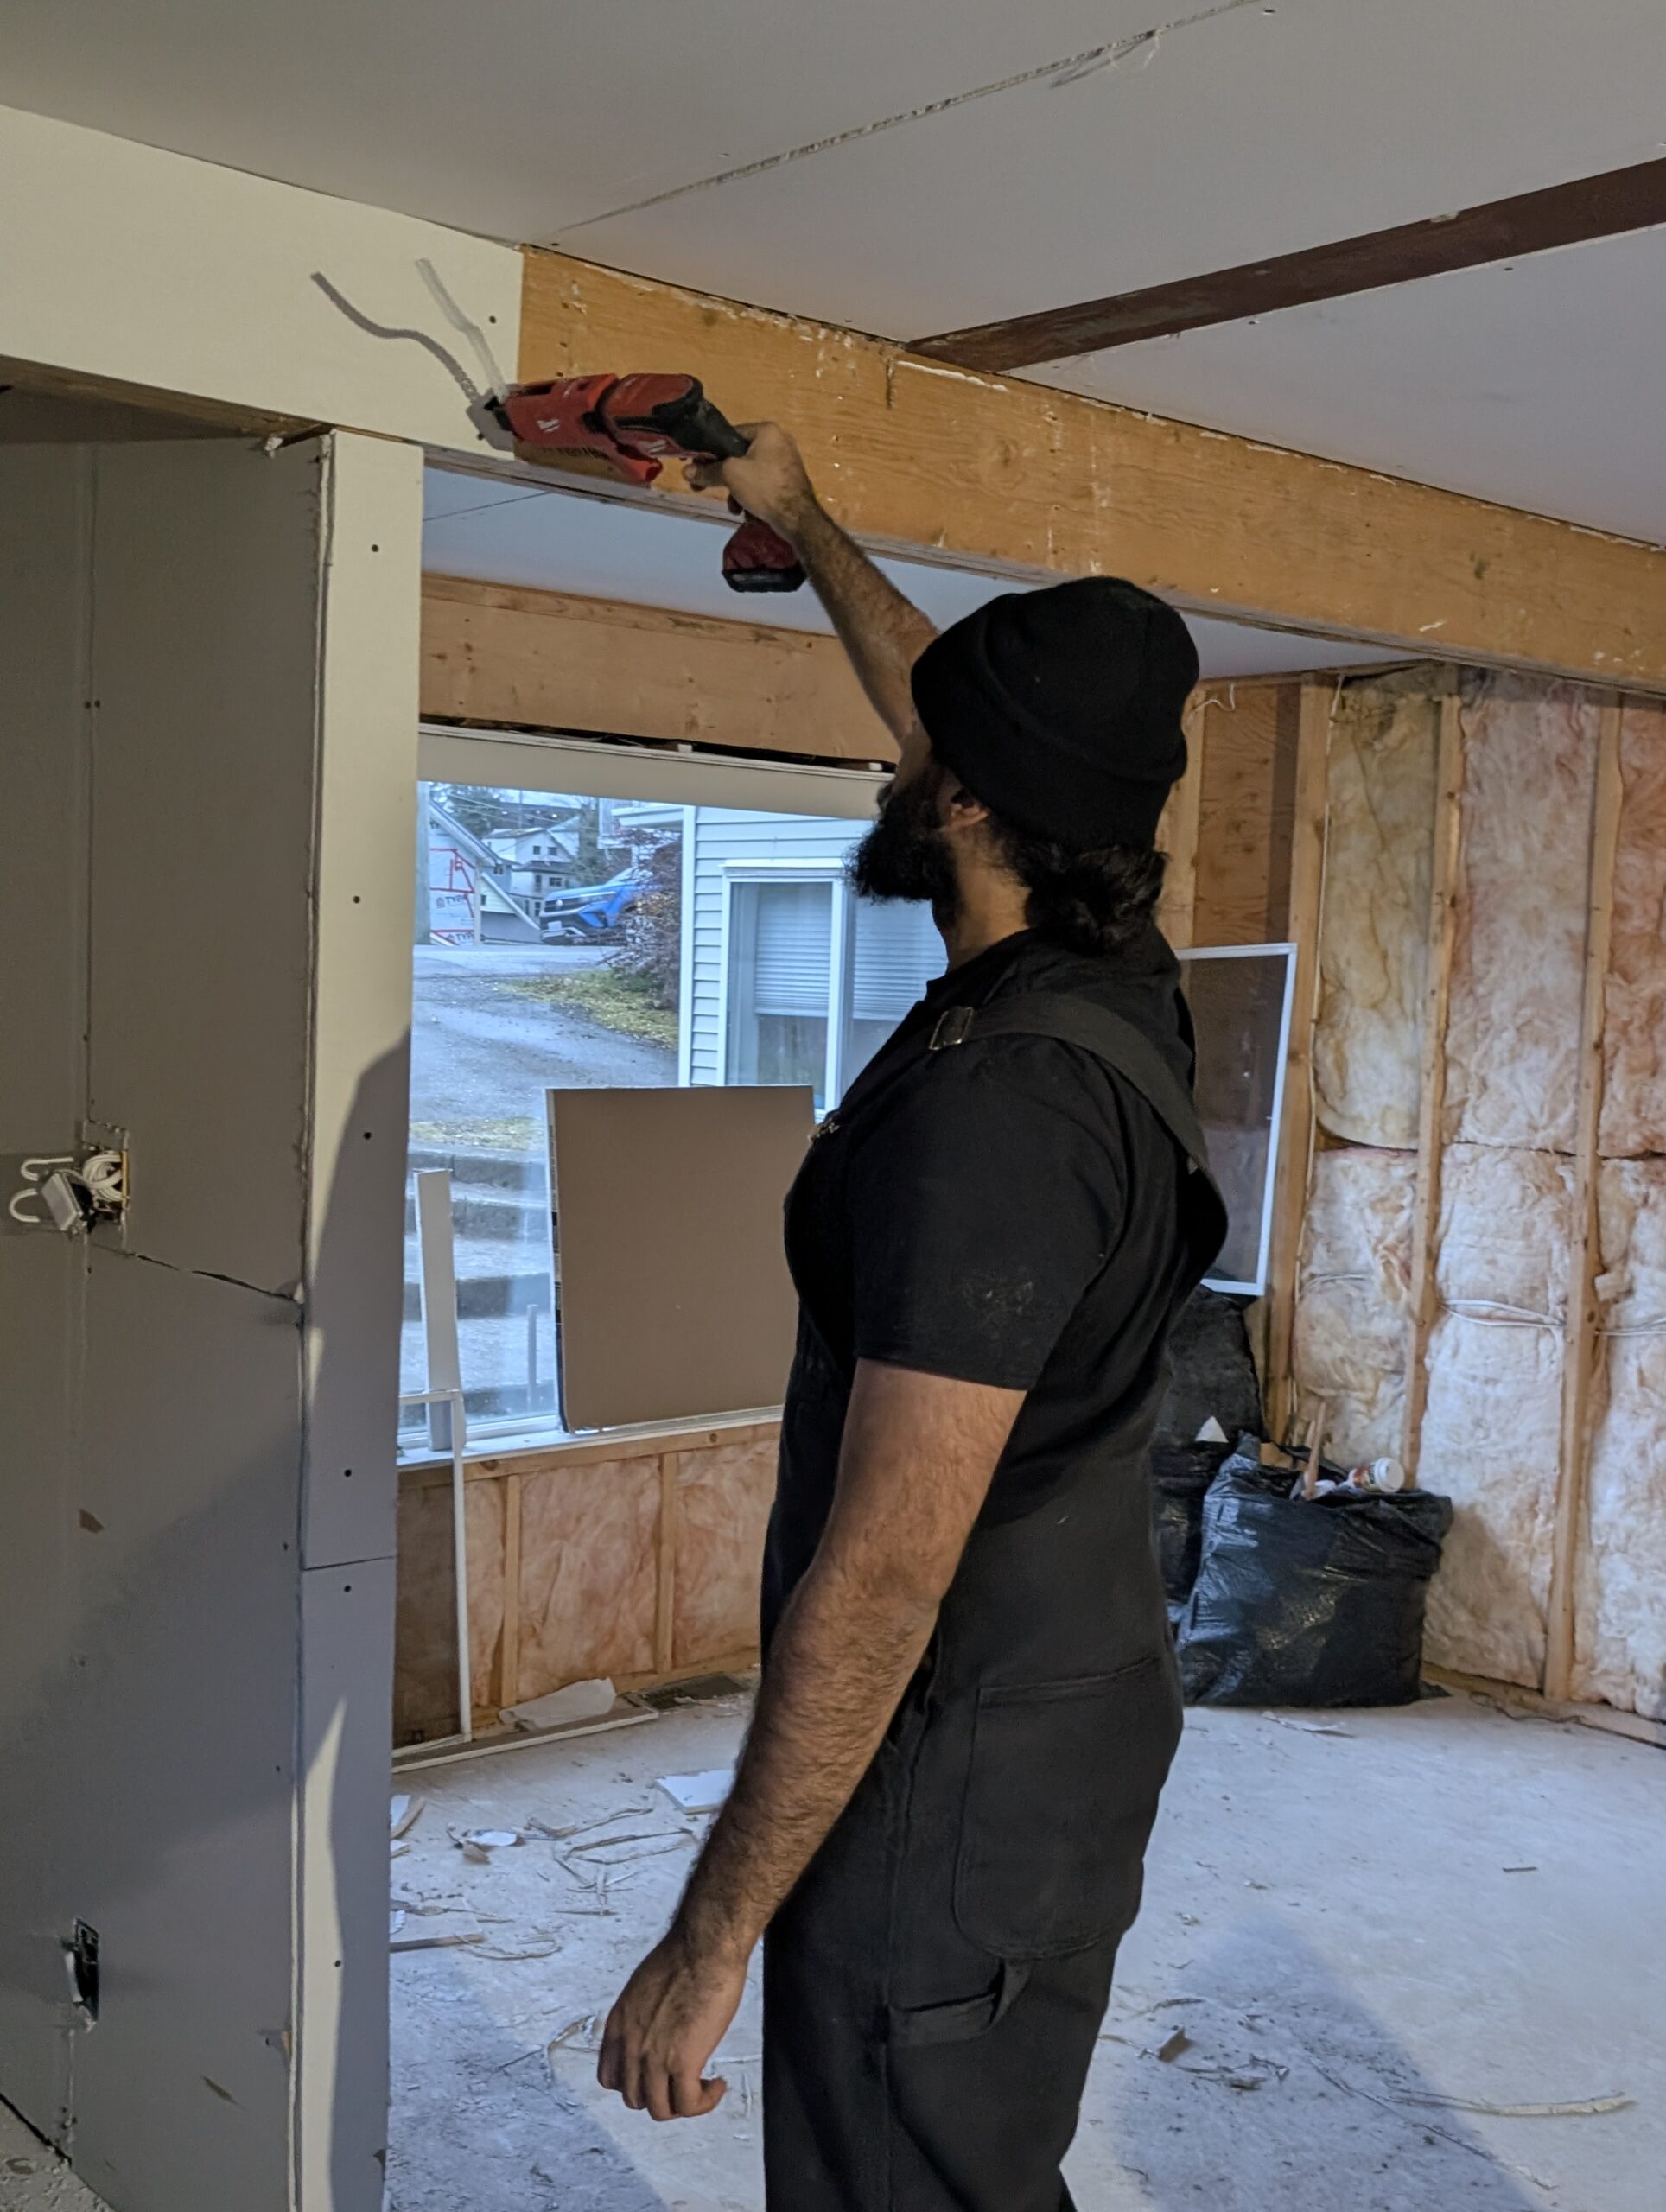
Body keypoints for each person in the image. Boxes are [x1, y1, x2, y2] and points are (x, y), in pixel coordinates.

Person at [597, 423, 1226, 2209]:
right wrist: (798, 517)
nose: (901, 761)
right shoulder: (1108, 971)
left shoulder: (1000, 1120)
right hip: (1060, 1709)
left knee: (902, 2174)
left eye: (924, 758)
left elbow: (880, 1577)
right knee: (967, 2159)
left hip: (951, 1773)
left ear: (961, 804)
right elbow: (936, 700)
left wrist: (709, 1934)